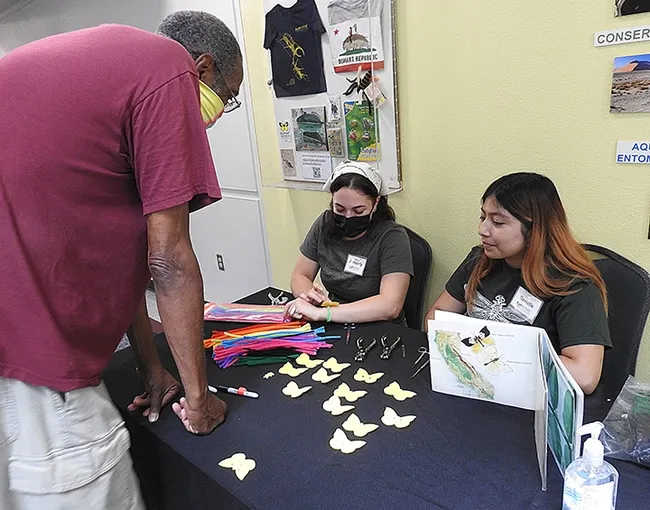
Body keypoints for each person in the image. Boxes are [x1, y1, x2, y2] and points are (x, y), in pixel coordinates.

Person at [0, 11, 242, 509]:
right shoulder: (169, 71)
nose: (220, 112)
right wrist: (198, 402)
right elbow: (168, 261)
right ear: (202, 67)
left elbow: (124, 255)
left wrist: (153, 366)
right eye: (229, 96)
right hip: (34, 359)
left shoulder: (103, 68)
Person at [425, 172, 611, 394]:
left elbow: (584, 376)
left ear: (536, 230)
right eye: (482, 217)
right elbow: (434, 318)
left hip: (529, 399)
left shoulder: (573, 285)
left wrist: (494, 354)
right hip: (474, 384)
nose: (482, 230)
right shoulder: (479, 261)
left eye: (498, 222)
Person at [285, 161, 413, 325]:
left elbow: (390, 306)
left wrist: (323, 313)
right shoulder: (324, 224)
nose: (348, 217)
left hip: (378, 327)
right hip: (333, 320)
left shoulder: (392, 237)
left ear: (375, 204)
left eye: (358, 211)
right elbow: (300, 274)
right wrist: (308, 296)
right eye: (339, 209)